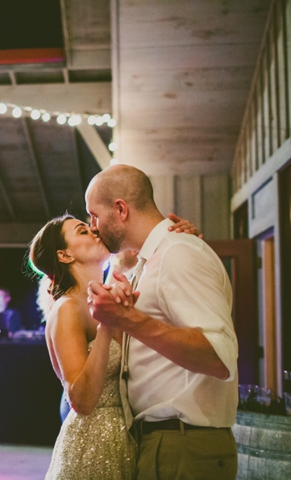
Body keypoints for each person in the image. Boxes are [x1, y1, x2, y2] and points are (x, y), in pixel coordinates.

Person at [85, 164, 239, 480]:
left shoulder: (178, 253)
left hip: (184, 442)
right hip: (167, 441)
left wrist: (129, 320)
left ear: (120, 209)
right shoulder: (151, 259)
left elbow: (220, 357)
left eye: (94, 215)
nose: (93, 226)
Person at [28, 212, 199, 479]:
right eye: (83, 231)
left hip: (131, 437)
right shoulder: (67, 309)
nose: (94, 232)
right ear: (65, 256)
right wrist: (106, 326)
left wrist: (181, 240)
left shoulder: (115, 293)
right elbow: (81, 401)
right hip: (94, 443)